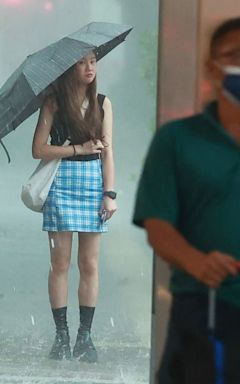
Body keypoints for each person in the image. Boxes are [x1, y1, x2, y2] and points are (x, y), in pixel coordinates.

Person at [133, 17, 240, 383]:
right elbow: (157, 224)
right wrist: (197, 262)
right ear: (212, 67)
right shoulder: (177, 141)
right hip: (203, 310)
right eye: (235, 55)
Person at [32, 51, 117, 362]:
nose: (89, 67)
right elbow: (38, 149)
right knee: (60, 264)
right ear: (70, 68)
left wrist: (110, 193)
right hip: (62, 184)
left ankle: (85, 335)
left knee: (90, 264)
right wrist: (76, 148)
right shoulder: (53, 103)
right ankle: (61, 335)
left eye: (93, 61)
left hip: (93, 184)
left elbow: (108, 153)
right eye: (82, 62)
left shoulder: (103, 103)